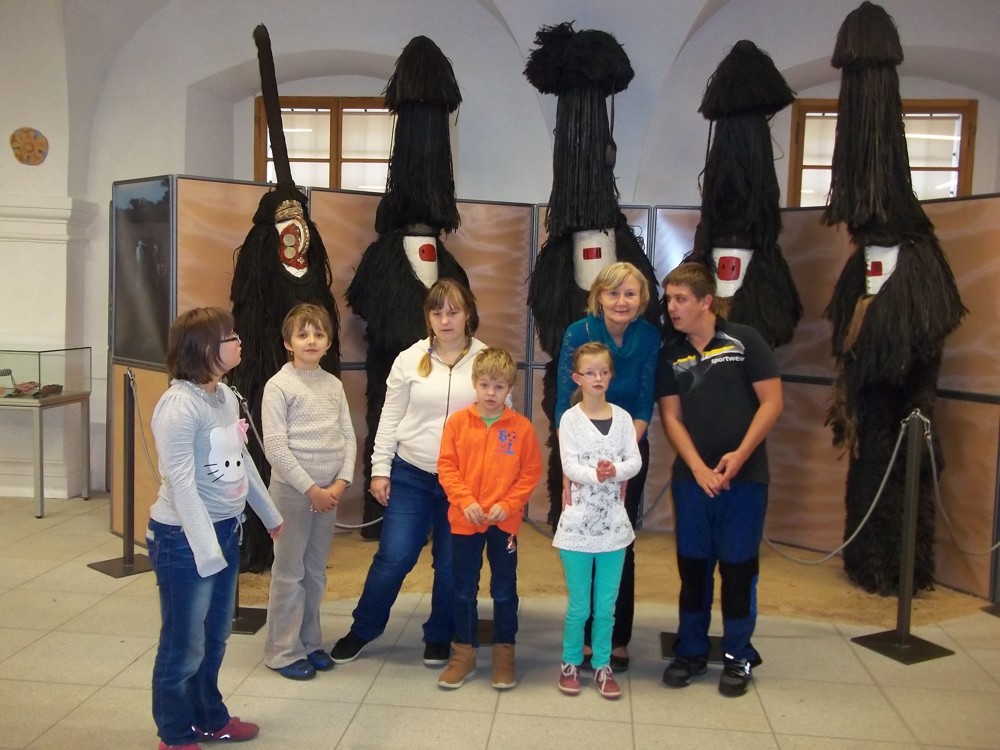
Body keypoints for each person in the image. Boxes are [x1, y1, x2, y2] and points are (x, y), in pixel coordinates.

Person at [147, 307, 283, 750]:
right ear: (203, 348)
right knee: (183, 644)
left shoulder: (224, 395)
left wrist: (270, 516)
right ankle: (174, 733)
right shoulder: (179, 406)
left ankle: (209, 718)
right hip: (184, 540)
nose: (239, 342)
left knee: (214, 637)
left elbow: (241, 461)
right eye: (229, 337)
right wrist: (207, 552)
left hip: (224, 531)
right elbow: (181, 485)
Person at [331, 278, 486, 666]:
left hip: (463, 481)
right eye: (437, 312)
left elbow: (501, 420)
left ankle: (439, 634)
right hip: (412, 473)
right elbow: (389, 417)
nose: (445, 320)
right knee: (394, 556)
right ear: (427, 317)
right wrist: (380, 470)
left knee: (450, 564)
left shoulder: (486, 359)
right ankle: (363, 629)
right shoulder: (409, 359)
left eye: (453, 311)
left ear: (468, 314)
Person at [656, 262, 783, 697]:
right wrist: (697, 468)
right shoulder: (670, 353)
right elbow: (671, 417)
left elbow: (772, 403)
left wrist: (739, 456)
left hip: (744, 480)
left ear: (706, 301)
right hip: (692, 482)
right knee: (693, 570)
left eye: (680, 299)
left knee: (738, 570)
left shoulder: (746, 341)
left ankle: (738, 655)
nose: (672, 308)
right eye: (669, 299)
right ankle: (690, 650)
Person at [555, 261, 660, 671]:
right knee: (581, 540)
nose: (621, 301)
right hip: (577, 451)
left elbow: (645, 402)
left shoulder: (649, 337)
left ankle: (616, 639)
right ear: (599, 296)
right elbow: (563, 402)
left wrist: (619, 457)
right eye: (613, 292)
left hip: (626, 448)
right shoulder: (577, 333)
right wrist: (569, 471)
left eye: (630, 293)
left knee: (619, 541)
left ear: (641, 299)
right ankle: (582, 635)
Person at [435, 347, 543, 690]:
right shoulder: (458, 423)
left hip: (503, 523)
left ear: (509, 387)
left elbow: (530, 472)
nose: (491, 393)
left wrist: (508, 504)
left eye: (499, 387)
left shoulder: (521, 428)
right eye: (485, 385)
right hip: (465, 520)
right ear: (474, 384)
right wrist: (464, 500)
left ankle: (504, 652)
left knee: (504, 590)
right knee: (463, 588)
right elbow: (447, 467)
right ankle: (464, 652)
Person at [262, 304, 356, 680]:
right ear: (288, 343)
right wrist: (311, 489)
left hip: (327, 495)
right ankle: (282, 650)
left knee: (315, 571)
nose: (311, 340)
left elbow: (348, 436)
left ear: (328, 342)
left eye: (318, 334)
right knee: (289, 572)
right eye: (302, 335)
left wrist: (339, 483)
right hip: (293, 493)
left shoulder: (333, 385)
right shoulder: (278, 386)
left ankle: (310, 641)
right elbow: (276, 447)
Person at [554, 342, 642, 700]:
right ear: (577, 377)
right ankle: (570, 662)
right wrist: (598, 474)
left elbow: (634, 461)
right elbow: (570, 465)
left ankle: (603, 665)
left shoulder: (623, 419)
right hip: (577, 527)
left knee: (606, 606)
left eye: (603, 372)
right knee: (579, 606)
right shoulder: (570, 419)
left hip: (614, 529)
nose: (597, 378)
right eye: (590, 372)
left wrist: (615, 470)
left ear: (611, 376)